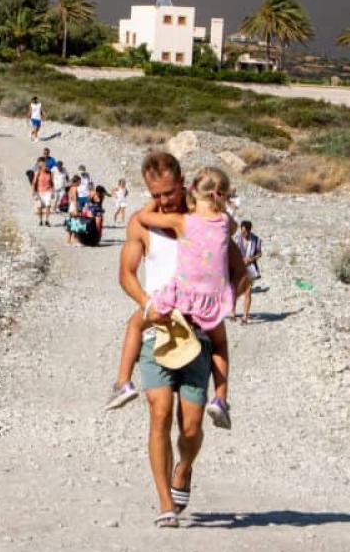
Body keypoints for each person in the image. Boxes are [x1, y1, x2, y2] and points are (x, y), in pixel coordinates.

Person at [110, 153, 249, 528]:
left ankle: (184, 467)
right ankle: (164, 503)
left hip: (199, 332)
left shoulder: (206, 220)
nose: (164, 201)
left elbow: (239, 271)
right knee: (159, 413)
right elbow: (126, 273)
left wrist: (221, 301)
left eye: (170, 192)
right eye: (156, 194)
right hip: (160, 328)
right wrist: (146, 303)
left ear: (183, 183)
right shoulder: (143, 224)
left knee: (191, 427)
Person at [235, 220, 262, 325]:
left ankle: (245, 317)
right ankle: (232, 313)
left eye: (245, 232)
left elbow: (259, 253)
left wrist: (251, 258)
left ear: (249, 230)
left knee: (247, 292)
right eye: (242, 231)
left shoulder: (256, 239)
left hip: (250, 268)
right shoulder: (236, 238)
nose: (243, 234)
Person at [31, 157, 54, 227]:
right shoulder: (38, 173)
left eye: (47, 166)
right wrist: (33, 191)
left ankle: (47, 220)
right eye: (45, 166)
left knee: (48, 205)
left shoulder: (50, 173)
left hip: (48, 191)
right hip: (39, 191)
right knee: (39, 207)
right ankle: (40, 220)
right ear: (41, 167)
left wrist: (53, 191)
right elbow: (34, 182)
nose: (46, 167)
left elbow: (52, 182)